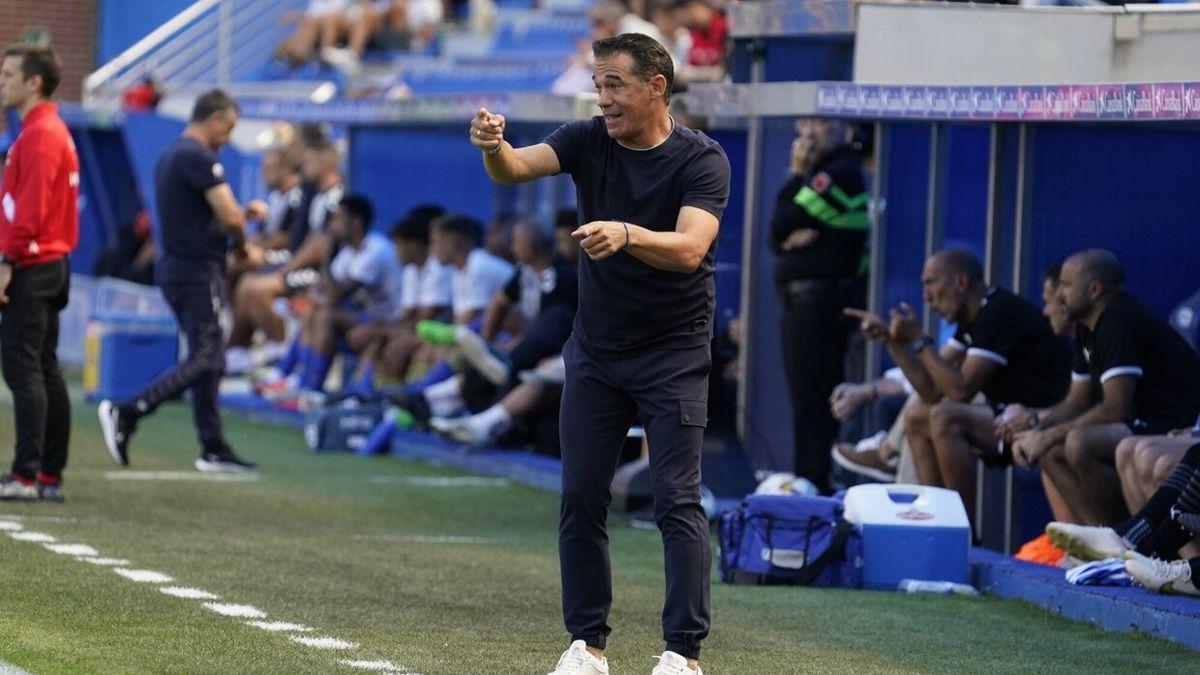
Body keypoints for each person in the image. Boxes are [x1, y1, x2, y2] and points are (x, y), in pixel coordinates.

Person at [470, 32, 729, 675]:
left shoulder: (703, 159)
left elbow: (691, 249)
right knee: (581, 496)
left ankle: (683, 654)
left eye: (615, 84)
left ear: (656, 87)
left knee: (676, 499)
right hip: (595, 351)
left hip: (673, 352)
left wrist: (626, 232)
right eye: (598, 85)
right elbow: (517, 167)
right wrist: (494, 147)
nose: (603, 98)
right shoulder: (587, 139)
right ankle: (587, 647)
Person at [98, 89, 265, 473]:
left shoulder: (174, 154)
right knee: (206, 354)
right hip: (194, 270)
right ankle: (129, 411)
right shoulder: (198, 156)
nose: (229, 137)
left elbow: (205, 216)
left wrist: (242, 217)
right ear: (216, 118)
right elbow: (228, 216)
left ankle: (213, 446)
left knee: (210, 357)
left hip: (178, 266)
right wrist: (242, 247)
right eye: (230, 128)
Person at [846, 249, 1070, 522]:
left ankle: (960, 531)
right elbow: (930, 389)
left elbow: (961, 390)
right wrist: (891, 341)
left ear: (961, 283)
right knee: (919, 414)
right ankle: (931, 521)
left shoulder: (998, 312)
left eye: (931, 283)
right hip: (1007, 417)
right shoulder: (972, 321)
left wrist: (918, 340)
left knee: (945, 416)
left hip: (1044, 417)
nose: (926, 296)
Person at [1011, 249, 1200, 526]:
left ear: (1095, 290)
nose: (1059, 294)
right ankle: (1098, 543)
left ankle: (1121, 538)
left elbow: (1116, 407)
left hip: (1171, 421)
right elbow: (1076, 400)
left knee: (1079, 443)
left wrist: (1048, 435)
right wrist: (1036, 433)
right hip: (1139, 421)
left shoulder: (1118, 320)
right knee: (1049, 450)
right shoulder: (1087, 326)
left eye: (1066, 285)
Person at [770, 117, 870, 494]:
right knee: (804, 400)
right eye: (803, 124)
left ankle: (815, 489)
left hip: (821, 302)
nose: (808, 133)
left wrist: (798, 173)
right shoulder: (819, 172)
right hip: (801, 301)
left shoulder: (840, 171)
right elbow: (776, 236)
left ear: (843, 128)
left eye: (819, 124)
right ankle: (807, 485)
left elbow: (781, 224)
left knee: (814, 402)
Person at [0, 44, 79, 501]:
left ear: (34, 82)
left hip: (33, 263)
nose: (2, 81)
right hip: (49, 262)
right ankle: (47, 475)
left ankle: (28, 474)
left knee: (24, 366)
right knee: (43, 367)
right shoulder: (44, 130)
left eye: (9, 74)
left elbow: (30, 210)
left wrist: (7, 262)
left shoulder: (42, 134)